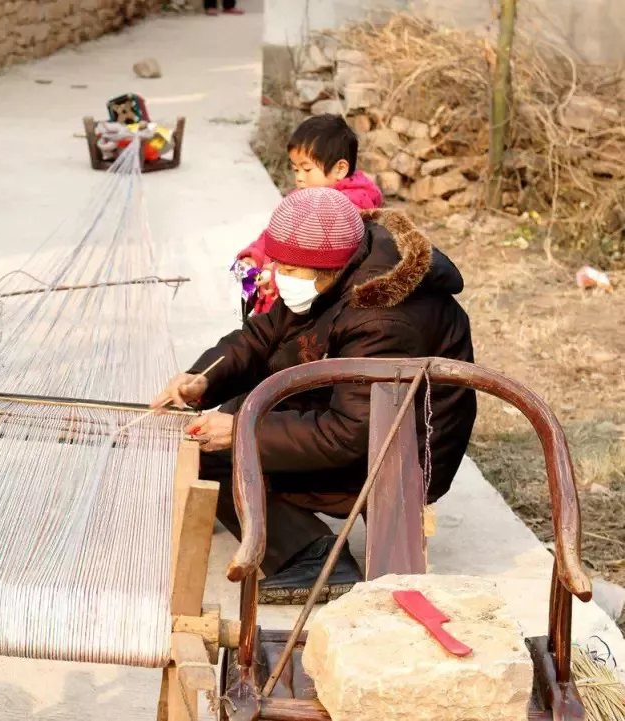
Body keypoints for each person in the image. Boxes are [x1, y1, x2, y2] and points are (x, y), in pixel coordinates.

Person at [153, 188, 476, 603]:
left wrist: (242, 433)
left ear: (332, 267)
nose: (279, 274)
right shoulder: (338, 270)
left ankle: (316, 558)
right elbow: (263, 336)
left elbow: (352, 434)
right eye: (278, 262)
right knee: (231, 415)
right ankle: (291, 530)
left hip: (402, 451)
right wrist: (204, 378)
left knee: (219, 448)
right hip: (361, 413)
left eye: (290, 267)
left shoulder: (382, 317)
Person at [233, 115, 383, 320]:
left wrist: (277, 277)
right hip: (276, 293)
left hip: (306, 311)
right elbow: (276, 233)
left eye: (306, 169)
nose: (299, 177)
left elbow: (321, 270)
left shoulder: (346, 211)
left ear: (340, 169)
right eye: (295, 169)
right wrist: (255, 256)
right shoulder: (305, 197)